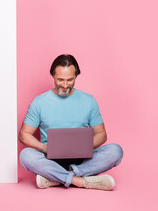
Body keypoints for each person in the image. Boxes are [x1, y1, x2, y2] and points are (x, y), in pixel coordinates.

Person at [19, 54, 123, 191]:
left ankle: (55, 179)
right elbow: (24, 134)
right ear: (53, 76)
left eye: (70, 80)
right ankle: (80, 181)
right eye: (60, 80)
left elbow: (101, 134)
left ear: (76, 76)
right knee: (26, 155)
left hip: (83, 160)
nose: (65, 85)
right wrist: (46, 148)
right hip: (50, 160)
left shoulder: (89, 100)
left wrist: (84, 147)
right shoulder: (39, 103)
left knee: (115, 151)